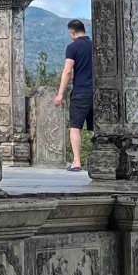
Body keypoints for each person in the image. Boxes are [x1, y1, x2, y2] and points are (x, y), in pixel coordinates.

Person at [53, 18, 93, 171]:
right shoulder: (95, 46)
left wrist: (60, 94)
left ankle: (77, 161)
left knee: (75, 127)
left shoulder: (72, 47)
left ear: (72, 32)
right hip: (98, 92)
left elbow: (68, 70)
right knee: (98, 127)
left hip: (81, 91)